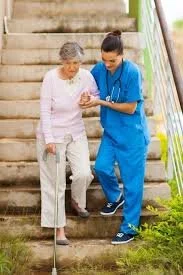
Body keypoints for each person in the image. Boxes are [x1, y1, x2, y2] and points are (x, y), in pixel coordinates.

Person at [79, 30, 150, 244]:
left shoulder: (132, 72)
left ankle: (129, 228)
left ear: (122, 54)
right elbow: (89, 86)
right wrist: (86, 96)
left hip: (132, 136)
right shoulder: (100, 69)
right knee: (101, 167)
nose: (107, 64)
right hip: (111, 132)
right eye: (104, 59)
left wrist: (100, 102)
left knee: (132, 184)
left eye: (112, 60)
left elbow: (130, 108)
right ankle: (115, 197)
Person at [36, 42, 98, 245]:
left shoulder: (86, 76)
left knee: (83, 173)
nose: (72, 67)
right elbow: (45, 110)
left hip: (76, 132)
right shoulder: (50, 79)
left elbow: (95, 96)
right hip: (52, 135)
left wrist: (88, 100)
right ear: (61, 61)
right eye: (69, 63)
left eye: (77, 63)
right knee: (56, 184)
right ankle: (59, 230)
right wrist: (49, 139)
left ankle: (77, 200)